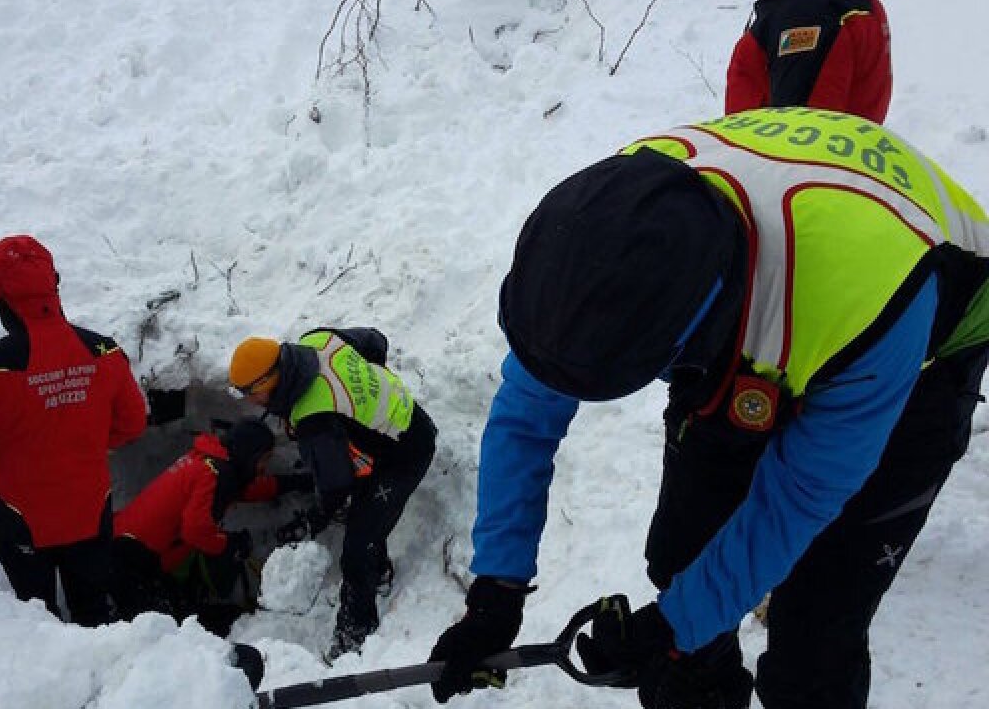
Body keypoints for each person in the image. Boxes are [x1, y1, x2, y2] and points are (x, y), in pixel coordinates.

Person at [428, 106, 989, 709]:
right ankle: (708, 689)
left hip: (919, 327)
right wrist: (497, 591)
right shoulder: (607, 230)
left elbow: (799, 497)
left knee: (816, 633)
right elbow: (525, 416)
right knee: (682, 553)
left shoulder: (866, 303)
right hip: (778, 273)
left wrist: (670, 630)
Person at [0, 235, 147, 627]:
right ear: (54, 285)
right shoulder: (105, 352)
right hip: (91, 511)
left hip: (22, 521)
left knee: (35, 620)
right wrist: (85, 439)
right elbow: (132, 423)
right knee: (95, 613)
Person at [229, 328, 437, 659]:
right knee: (366, 511)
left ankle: (355, 635)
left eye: (248, 393)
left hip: (405, 453)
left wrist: (315, 519)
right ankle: (378, 571)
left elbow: (336, 486)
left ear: (268, 381)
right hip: (404, 417)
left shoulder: (313, 416)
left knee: (357, 546)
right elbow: (375, 341)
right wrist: (370, 398)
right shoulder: (318, 341)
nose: (248, 401)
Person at [111, 417, 313, 635]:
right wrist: (227, 544)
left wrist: (296, 483)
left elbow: (247, 490)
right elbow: (195, 530)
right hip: (131, 559)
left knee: (180, 617)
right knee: (164, 632)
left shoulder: (212, 463)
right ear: (249, 455)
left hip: (134, 549)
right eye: (263, 460)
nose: (263, 468)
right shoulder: (212, 473)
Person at [726, 0, 891, 123]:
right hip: (766, 154)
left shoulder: (807, 12)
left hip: (778, 157)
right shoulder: (836, 0)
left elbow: (800, 130)